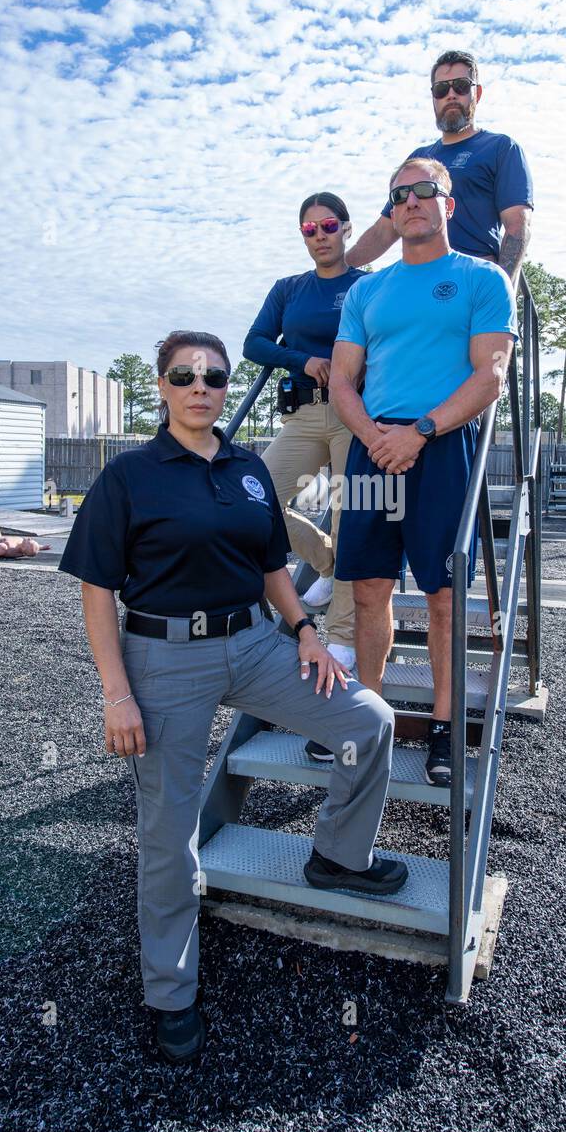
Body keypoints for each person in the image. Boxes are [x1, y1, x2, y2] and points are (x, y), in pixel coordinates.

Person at [58, 331, 404, 1065]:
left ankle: (338, 855)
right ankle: (170, 992)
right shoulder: (129, 478)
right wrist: (116, 693)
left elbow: (270, 562)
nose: (201, 386)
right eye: (184, 375)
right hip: (161, 661)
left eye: (214, 376)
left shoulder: (248, 468)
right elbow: (97, 590)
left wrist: (307, 631)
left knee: (368, 718)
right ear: (161, 385)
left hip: (254, 646)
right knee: (169, 833)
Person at [330, 159, 518, 788]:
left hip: (440, 447)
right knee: (367, 592)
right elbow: (340, 380)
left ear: (449, 203)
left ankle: (442, 728)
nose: (410, 202)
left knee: (442, 598)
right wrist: (375, 439)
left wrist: (421, 432)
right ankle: (366, 719)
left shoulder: (482, 279)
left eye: (423, 192)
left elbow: (490, 375)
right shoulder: (365, 291)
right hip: (373, 444)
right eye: (398, 195)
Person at [243, 192, 365, 761]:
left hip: (354, 412)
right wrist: (301, 359)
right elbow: (253, 343)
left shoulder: (367, 283)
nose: (319, 234)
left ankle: (341, 643)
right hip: (301, 411)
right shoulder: (289, 289)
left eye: (329, 225)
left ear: (346, 228)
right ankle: (325, 559)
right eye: (309, 227)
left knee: (354, 512)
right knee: (255, 498)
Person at [346, 49, 533, 285]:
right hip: (420, 283)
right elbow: (384, 230)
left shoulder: (500, 148)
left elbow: (518, 224)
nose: (451, 95)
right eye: (442, 89)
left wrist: (504, 291)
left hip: (472, 280)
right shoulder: (419, 158)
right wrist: (336, 268)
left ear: (477, 93)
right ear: (434, 97)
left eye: (461, 86)